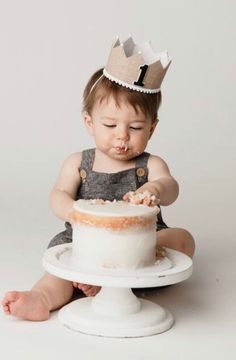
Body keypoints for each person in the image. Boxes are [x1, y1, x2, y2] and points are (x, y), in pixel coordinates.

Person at [1, 36, 195, 321]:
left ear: (151, 129)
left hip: (141, 241)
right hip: (86, 240)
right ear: (89, 123)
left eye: (136, 127)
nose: (122, 136)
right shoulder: (79, 163)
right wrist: (72, 211)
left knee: (183, 240)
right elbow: (58, 194)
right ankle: (42, 297)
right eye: (110, 124)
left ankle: (109, 281)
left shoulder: (150, 164)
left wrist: (155, 188)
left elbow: (171, 187)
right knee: (57, 273)